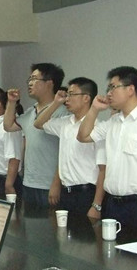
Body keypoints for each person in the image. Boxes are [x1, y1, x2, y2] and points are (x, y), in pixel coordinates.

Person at [77, 66, 137, 231]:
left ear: (130, 89)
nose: (109, 93)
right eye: (108, 89)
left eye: (113, 87)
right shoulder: (113, 122)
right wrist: (94, 109)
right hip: (112, 204)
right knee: (110, 247)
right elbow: (83, 136)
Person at [34, 77, 105, 218]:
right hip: (65, 192)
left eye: (72, 94)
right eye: (67, 94)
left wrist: (96, 205)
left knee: (85, 232)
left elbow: (103, 170)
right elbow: (38, 123)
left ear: (86, 98)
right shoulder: (65, 123)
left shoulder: (98, 127)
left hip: (86, 192)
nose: (67, 99)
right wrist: (55, 103)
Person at [4, 63, 67, 208]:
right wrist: (12, 102)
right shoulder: (30, 111)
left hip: (50, 185)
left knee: (51, 222)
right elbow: (8, 126)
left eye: (34, 79)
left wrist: (56, 183)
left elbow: (66, 153)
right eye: (29, 79)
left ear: (49, 83)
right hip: (29, 183)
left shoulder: (63, 113)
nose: (29, 83)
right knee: (30, 222)